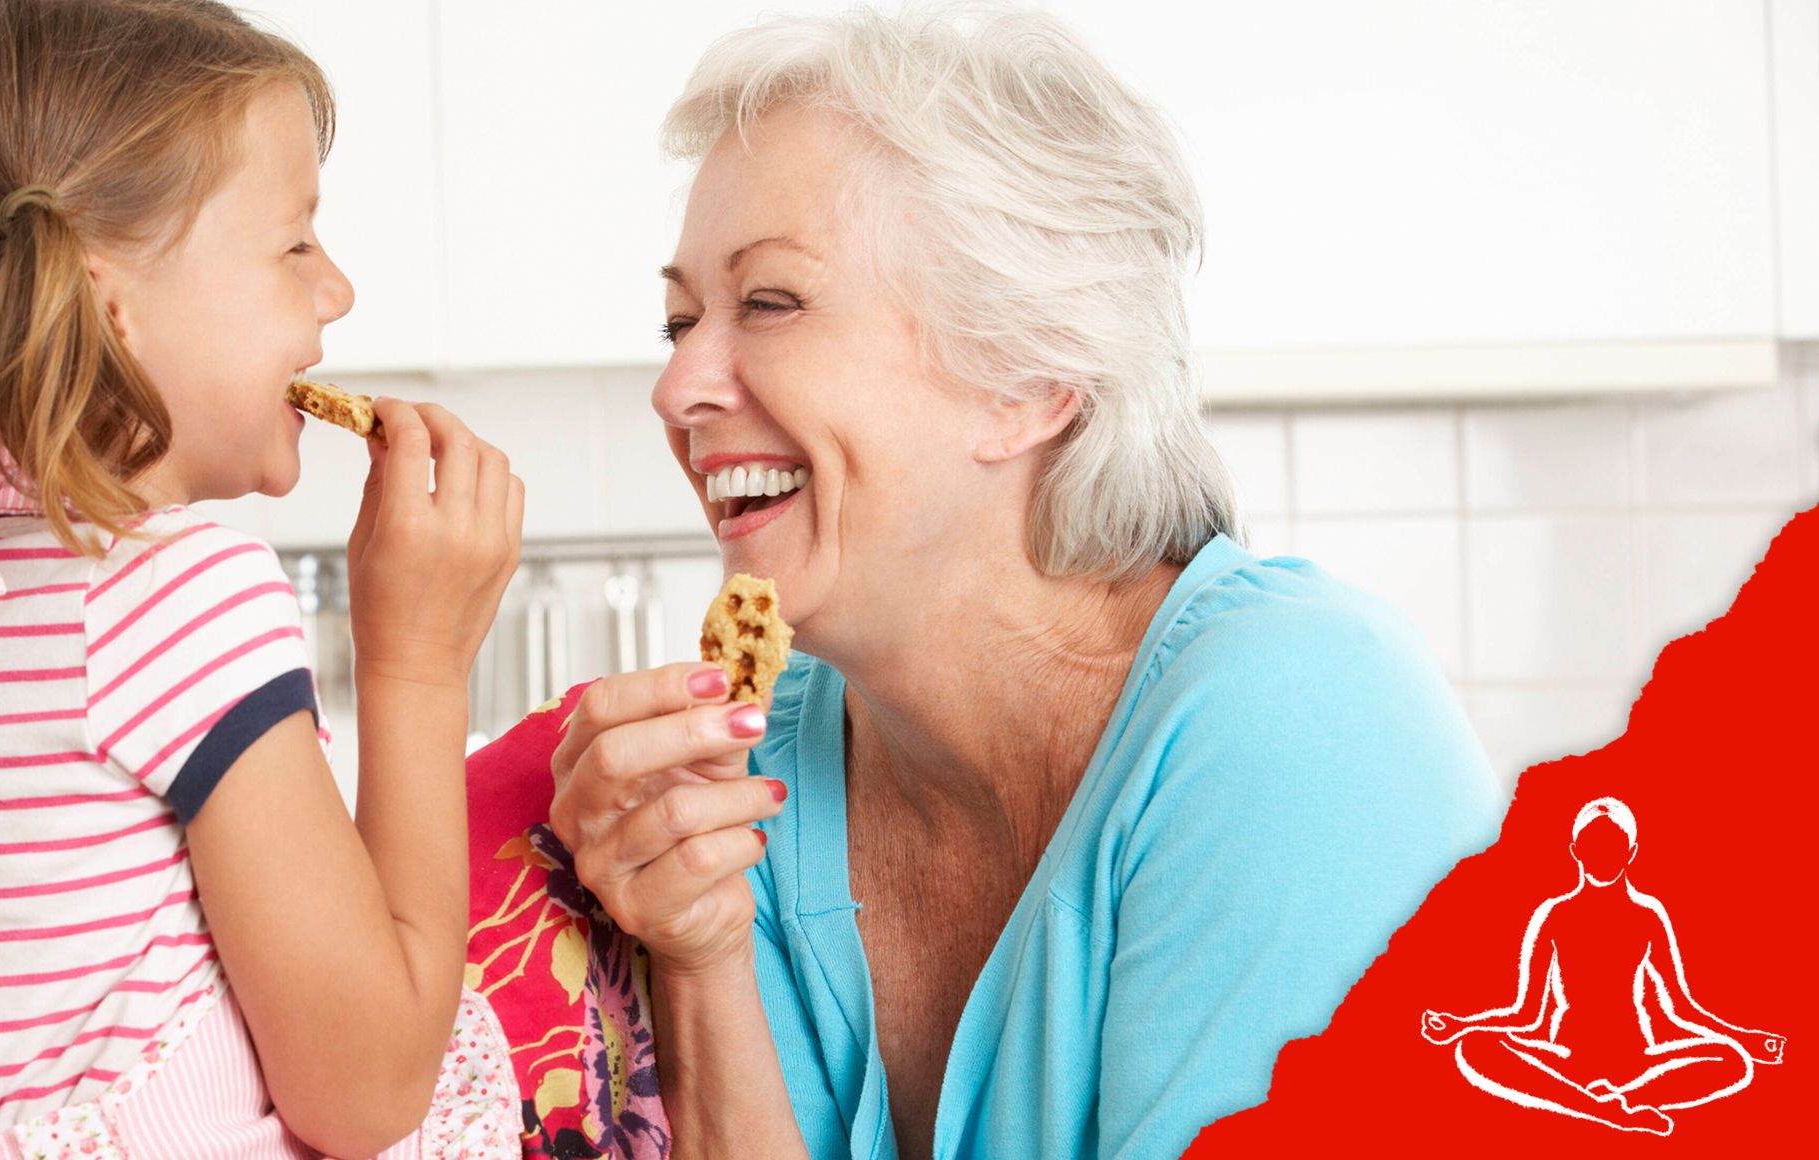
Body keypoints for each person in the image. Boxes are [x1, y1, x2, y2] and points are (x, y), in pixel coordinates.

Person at [519, 6, 1503, 1158]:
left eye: (769, 302)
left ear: (1027, 377)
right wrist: (696, 953)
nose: (677, 384)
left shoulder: (1304, 724)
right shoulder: (744, 786)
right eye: (678, 318)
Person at [0, 1, 528, 1155]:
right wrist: (417, 660)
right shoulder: (170, 594)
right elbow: (370, 1088)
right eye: (292, 244)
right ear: (104, 295)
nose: (337, 291)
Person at [1422, 797, 1786, 1135]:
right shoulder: (1555, 915)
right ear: (1576, 851)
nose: (1602, 856)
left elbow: (1680, 1007)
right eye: (1594, 846)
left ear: (1630, 852)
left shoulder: (1647, 917)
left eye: (1612, 846)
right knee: (1474, 1047)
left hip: (1636, 1061)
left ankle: (1617, 1103)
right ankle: (1602, 1110)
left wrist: (1746, 1040)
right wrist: (1461, 1025)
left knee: (1733, 1061)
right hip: (1567, 1058)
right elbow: (1527, 1014)